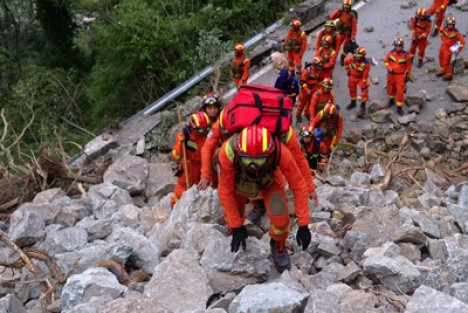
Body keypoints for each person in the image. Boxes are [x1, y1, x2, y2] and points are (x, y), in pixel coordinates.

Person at [217, 125, 312, 273]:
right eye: (249, 161)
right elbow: (225, 191)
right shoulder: (228, 152)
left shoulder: (281, 152)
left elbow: (298, 185)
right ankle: (232, 227)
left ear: (269, 154)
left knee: (281, 220)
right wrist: (236, 226)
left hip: (270, 181)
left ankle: (277, 243)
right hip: (239, 179)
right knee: (235, 208)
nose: (254, 166)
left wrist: (304, 224)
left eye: (259, 161)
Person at [170, 111, 210, 206]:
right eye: (200, 130)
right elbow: (175, 156)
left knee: (200, 191)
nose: (203, 132)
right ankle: (174, 207)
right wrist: (181, 142)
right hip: (188, 167)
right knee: (182, 190)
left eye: (205, 129)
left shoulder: (207, 136)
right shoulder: (184, 136)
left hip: (201, 166)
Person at [384, 37, 412, 116]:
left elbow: (408, 67)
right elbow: (386, 61)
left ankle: (399, 108)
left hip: (400, 76)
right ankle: (391, 100)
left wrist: (408, 76)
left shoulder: (407, 56)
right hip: (391, 75)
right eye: (396, 46)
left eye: (399, 46)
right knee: (390, 88)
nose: (397, 48)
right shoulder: (390, 53)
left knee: (400, 92)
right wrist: (388, 68)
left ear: (402, 46)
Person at [329, 0, 358, 66]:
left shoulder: (352, 15)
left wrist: (353, 36)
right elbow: (331, 17)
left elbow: (354, 26)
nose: (346, 8)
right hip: (340, 33)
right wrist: (337, 10)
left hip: (348, 34)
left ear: (350, 7)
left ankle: (342, 58)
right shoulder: (340, 12)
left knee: (346, 47)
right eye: (345, 6)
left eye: (347, 6)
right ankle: (334, 57)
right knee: (336, 46)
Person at [436, 16, 465, 81]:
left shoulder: (456, 33)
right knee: (441, 58)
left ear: (454, 25)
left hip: (449, 49)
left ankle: (449, 76)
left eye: (451, 25)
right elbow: (440, 32)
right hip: (443, 46)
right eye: (449, 24)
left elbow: (463, 42)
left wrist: (458, 50)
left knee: (446, 62)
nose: (450, 26)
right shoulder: (443, 28)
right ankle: (442, 71)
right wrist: (443, 39)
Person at [344, 46, 370, 118]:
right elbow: (345, 62)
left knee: (364, 91)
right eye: (356, 56)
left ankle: (363, 105)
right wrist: (348, 71)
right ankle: (353, 103)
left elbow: (365, 73)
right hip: (352, 77)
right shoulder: (352, 59)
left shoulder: (366, 64)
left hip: (361, 78)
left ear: (362, 56)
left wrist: (364, 82)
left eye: (358, 56)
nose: (356, 57)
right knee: (351, 89)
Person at [296, 56, 324, 123]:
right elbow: (302, 83)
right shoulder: (306, 71)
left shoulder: (318, 71)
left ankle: (307, 113)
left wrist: (320, 89)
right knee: (302, 104)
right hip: (305, 90)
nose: (320, 67)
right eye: (319, 66)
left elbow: (318, 80)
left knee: (310, 103)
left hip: (313, 89)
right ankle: (298, 115)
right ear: (315, 65)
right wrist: (307, 89)